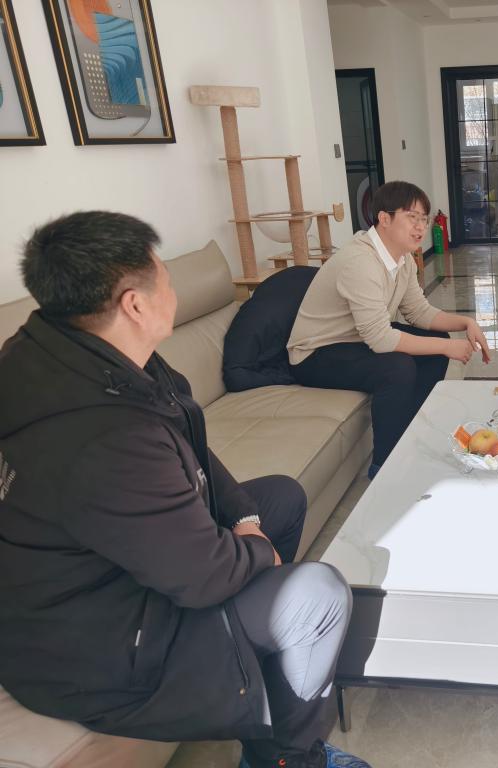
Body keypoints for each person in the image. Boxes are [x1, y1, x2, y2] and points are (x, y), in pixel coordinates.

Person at [0, 212, 369, 768]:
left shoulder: (83, 351)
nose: (172, 288)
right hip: (96, 648)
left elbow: (189, 442)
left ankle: (259, 689)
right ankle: (287, 757)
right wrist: (257, 552)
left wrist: (244, 518)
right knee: (317, 596)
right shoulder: (100, 436)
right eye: (164, 275)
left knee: (279, 499)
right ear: (135, 304)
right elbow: (204, 576)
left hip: (124, 573)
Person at [288, 181, 491, 478]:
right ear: (384, 218)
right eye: (412, 217)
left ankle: (411, 435)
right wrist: (449, 348)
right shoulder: (360, 262)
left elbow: (418, 312)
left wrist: (466, 323)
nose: (420, 227)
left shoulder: (403, 259)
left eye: (424, 219)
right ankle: (384, 467)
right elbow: (381, 339)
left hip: (356, 338)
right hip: (316, 353)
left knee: (436, 341)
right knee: (398, 367)